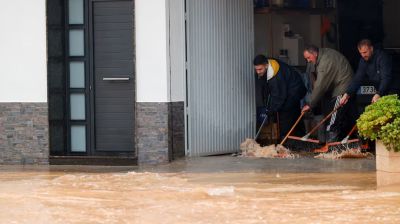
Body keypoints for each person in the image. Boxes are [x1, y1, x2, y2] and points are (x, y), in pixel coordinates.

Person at [301, 45, 354, 142]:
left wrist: (310, 104)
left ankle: (330, 147)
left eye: (308, 58)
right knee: (338, 118)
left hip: (342, 87)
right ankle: (336, 144)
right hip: (337, 87)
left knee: (333, 121)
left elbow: (321, 85)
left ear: (315, 54)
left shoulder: (325, 61)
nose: (308, 61)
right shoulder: (322, 55)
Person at [253, 54, 307, 142]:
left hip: (295, 89)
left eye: (260, 69)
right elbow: (267, 90)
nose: (258, 72)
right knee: (293, 113)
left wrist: (272, 109)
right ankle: (300, 139)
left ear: (266, 65)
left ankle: (286, 142)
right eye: (256, 69)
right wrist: (268, 106)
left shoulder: (276, 76)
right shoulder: (267, 67)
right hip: (288, 88)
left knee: (285, 113)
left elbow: (279, 96)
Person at [340, 39, 400, 105]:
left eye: (365, 52)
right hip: (380, 86)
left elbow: (386, 78)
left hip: (393, 87)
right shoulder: (363, 60)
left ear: (371, 48)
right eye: (361, 53)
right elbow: (357, 78)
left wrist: (379, 93)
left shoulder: (382, 57)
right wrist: (347, 93)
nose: (363, 55)